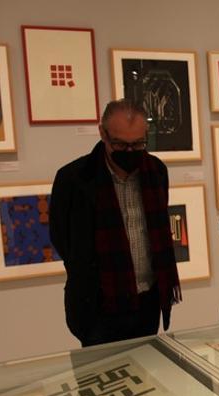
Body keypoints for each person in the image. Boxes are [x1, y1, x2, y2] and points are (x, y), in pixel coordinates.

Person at [50, 99, 181, 347]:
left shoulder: (156, 171)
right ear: (103, 133)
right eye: (120, 144)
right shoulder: (74, 178)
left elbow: (158, 230)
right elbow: (61, 237)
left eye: (138, 143)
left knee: (147, 378)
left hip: (148, 301)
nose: (130, 152)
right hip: (98, 306)